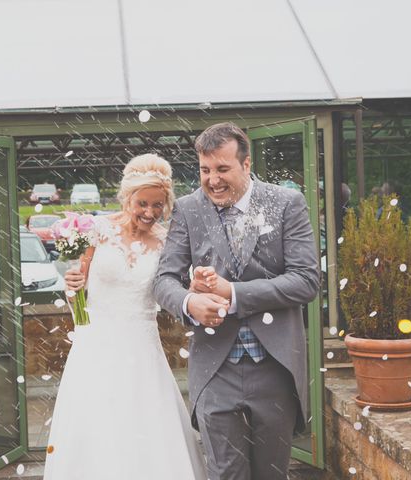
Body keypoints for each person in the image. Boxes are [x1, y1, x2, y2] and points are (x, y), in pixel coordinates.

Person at [154, 122, 320, 479]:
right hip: (215, 369)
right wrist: (188, 303)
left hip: (275, 367)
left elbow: (306, 280)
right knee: (225, 473)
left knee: (271, 473)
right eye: (205, 170)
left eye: (222, 169)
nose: (212, 180)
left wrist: (234, 293)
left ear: (246, 165)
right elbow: (164, 279)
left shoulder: (286, 203)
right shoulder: (187, 209)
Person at [43, 154, 206, 480]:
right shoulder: (97, 231)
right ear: (127, 197)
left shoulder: (167, 241)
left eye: (158, 205)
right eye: (142, 203)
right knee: (96, 421)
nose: (149, 212)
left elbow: (175, 285)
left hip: (142, 347)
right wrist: (72, 286)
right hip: (95, 343)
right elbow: (79, 289)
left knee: (145, 420)